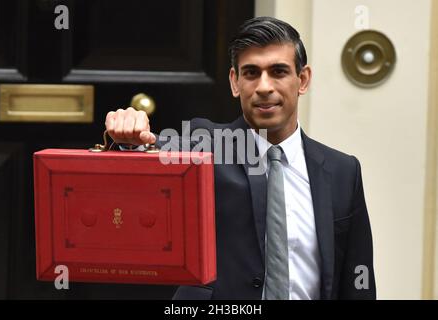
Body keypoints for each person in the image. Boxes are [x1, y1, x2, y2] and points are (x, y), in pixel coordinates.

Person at [105, 16, 376, 300]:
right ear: (235, 82)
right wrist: (129, 139)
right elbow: (149, 155)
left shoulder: (343, 171)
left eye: (278, 71)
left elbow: (357, 279)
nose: (264, 86)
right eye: (251, 73)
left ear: (303, 79)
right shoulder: (205, 146)